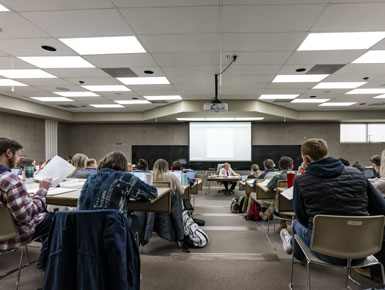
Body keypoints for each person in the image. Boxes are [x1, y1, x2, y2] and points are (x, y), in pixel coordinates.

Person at [280, 138, 385, 266]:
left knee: (296, 223)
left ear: (306, 159)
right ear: (326, 154)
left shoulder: (301, 181)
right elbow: (381, 208)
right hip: (363, 250)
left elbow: (302, 218)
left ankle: (297, 254)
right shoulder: (358, 174)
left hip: (325, 251)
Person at [0, 137, 52, 251]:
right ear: (8, 153)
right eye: (18, 155)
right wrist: (42, 191)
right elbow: (25, 216)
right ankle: (50, 260)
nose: (18, 159)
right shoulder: (9, 179)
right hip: (10, 238)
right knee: (54, 218)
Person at [78, 151, 157, 220]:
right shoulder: (124, 177)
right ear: (124, 165)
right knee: (136, 220)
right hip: (111, 231)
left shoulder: (91, 178)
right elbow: (152, 193)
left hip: (85, 231)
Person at [260, 156, 294, 232]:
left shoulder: (277, 177)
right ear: (292, 166)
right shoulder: (299, 177)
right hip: (296, 206)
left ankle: (282, 226)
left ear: (280, 167)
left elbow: (269, 187)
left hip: (281, 207)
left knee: (280, 198)